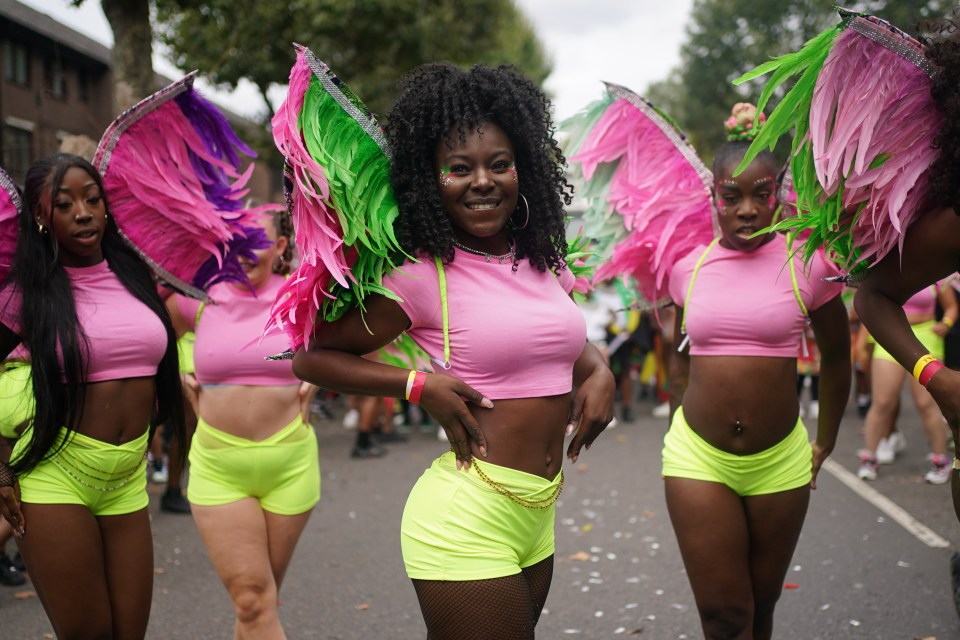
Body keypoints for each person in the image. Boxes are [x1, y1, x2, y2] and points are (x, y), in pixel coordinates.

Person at [288, 61, 614, 639]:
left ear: (526, 169)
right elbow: (310, 357)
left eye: (500, 164)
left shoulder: (541, 260)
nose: (483, 181)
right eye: (458, 169)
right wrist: (418, 386)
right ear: (428, 180)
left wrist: (601, 373)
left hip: (537, 514)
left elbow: (568, 347)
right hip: (466, 519)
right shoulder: (422, 277)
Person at [663, 107, 850, 639]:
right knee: (725, 616)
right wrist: (679, 418)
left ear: (778, 196)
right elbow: (680, 353)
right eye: (731, 197)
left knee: (760, 610)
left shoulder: (808, 264)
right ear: (714, 198)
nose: (747, 209)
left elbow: (837, 358)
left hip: (780, 462)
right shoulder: (688, 270)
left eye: (761, 195)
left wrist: (826, 441)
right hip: (697, 458)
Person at [0, 154, 186, 638]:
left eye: (92, 198)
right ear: (41, 217)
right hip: (55, 475)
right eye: (64, 204)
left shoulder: (135, 278)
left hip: (127, 478)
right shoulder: (27, 294)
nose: (83, 212)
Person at [165, 208, 319, 638]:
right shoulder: (196, 297)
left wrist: (317, 383)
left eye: (255, 240)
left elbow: (350, 342)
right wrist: (180, 379)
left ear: (281, 246)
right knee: (252, 598)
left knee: (257, 602)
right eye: (235, 241)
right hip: (219, 467)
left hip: (290, 465)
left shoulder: (301, 294)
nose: (244, 251)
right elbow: (152, 343)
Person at [856, 283, 957, 483]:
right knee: (883, 402)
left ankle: (940, 461)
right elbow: (870, 304)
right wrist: (861, 343)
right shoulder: (885, 264)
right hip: (889, 335)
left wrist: (946, 323)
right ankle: (869, 458)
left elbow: (952, 306)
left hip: (925, 338)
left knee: (925, 404)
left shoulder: (935, 271)